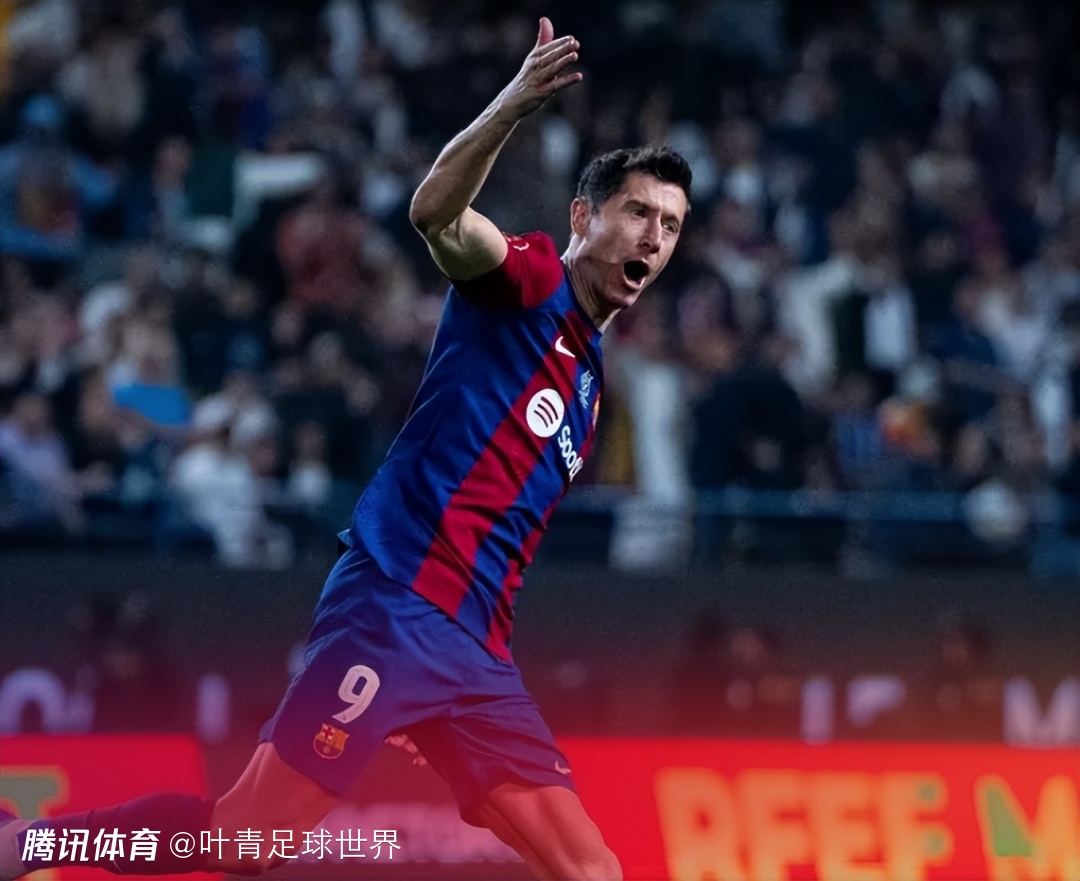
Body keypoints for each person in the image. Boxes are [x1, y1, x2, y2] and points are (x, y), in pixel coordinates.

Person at [0, 17, 690, 881]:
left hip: (476, 655)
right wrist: (512, 104)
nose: (653, 237)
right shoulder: (533, 280)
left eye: (671, 224)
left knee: (594, 871)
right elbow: (434, 213)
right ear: (584, 216)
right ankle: (27, 845)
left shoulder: (589, 382)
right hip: (396, 608)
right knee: (247, 840)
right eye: (637, 212)